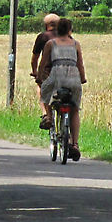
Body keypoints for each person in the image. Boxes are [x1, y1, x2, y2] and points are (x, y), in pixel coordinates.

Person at [38, 17, 86, 160]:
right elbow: (80, 65)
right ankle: (75, 144)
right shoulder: (76, 44)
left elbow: (43, 65)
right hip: (73, 79)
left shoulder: (50, 44)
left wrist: (40, 78)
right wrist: (82, 79)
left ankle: (48, 116)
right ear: (70, 30)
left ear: (58, 30)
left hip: (56, 78)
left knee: (44, 92)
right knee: (75, 109)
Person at [31, 13, 59, 129]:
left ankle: (46, 114)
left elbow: (34, 59)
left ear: (46, 25)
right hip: (68, 72)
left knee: (40, 86)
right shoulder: (67, 37)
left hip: (48, 72)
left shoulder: (42, 37)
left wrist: (34, 72)